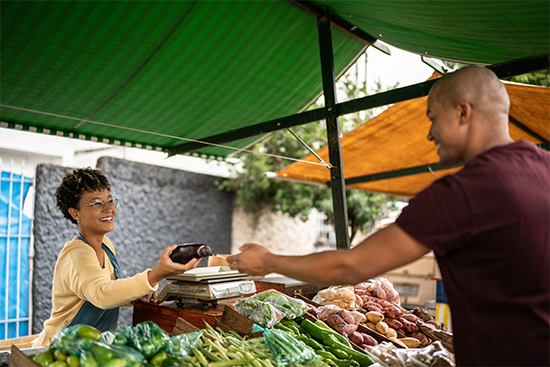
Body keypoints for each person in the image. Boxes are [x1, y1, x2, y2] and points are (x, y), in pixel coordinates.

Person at [227, 66, 550, 366]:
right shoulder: (545, 168)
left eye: (433, 118)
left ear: (463, 112)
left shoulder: (463, 191)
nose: (430, 134)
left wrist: (270, 261)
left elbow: (352, 265)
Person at [33, 167, 200, 347]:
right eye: (97, 203)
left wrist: (135, 297)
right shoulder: (76, 254)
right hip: (59, 351)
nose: (108, 209)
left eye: (110, 201)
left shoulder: (106, 246)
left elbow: (109, 292)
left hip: (92, 348)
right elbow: (101, 294)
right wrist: (157, 274)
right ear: (75, 213)